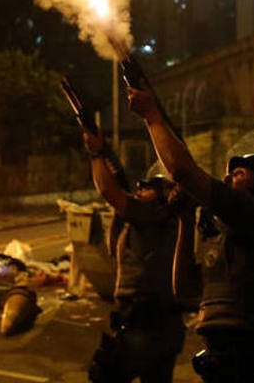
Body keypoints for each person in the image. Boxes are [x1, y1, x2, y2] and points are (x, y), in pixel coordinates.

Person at [128, 87, 254, 382]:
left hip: (249, 360)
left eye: (241, 173)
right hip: (223, 360)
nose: (229, 176)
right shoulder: (227, 234)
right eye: (230, 172)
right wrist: (184, 221)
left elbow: (183, 170)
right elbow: (185, 290)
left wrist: (152, 116)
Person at [84, 131, 188, 383]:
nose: (139, 189)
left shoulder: (152, 214)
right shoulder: (165, 219)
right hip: (166, 326)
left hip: (143, 325)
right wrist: (107, 153)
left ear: (164, 197)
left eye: (148, 187)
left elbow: (109, 190)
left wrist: (96, 154)